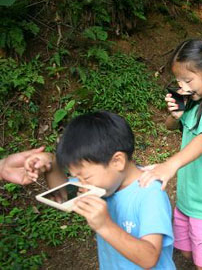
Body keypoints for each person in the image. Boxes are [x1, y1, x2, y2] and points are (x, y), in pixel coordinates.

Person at [24, 111, 175, 269]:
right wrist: (51, 165)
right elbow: (63, 194)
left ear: (117, 161)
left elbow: (149, 258)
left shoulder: (150, 193)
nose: (81, 183)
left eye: (85, 178)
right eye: (76, 177)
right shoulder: (102, 184)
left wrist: (105, 226)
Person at [139, 39, 202, 270]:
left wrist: (169, 165)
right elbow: (170, 127)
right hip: (188, 199)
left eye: (188, 80)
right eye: (178, 81)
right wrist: (174, 114)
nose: (182, 86)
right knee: (186, 251)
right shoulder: (192, 101)